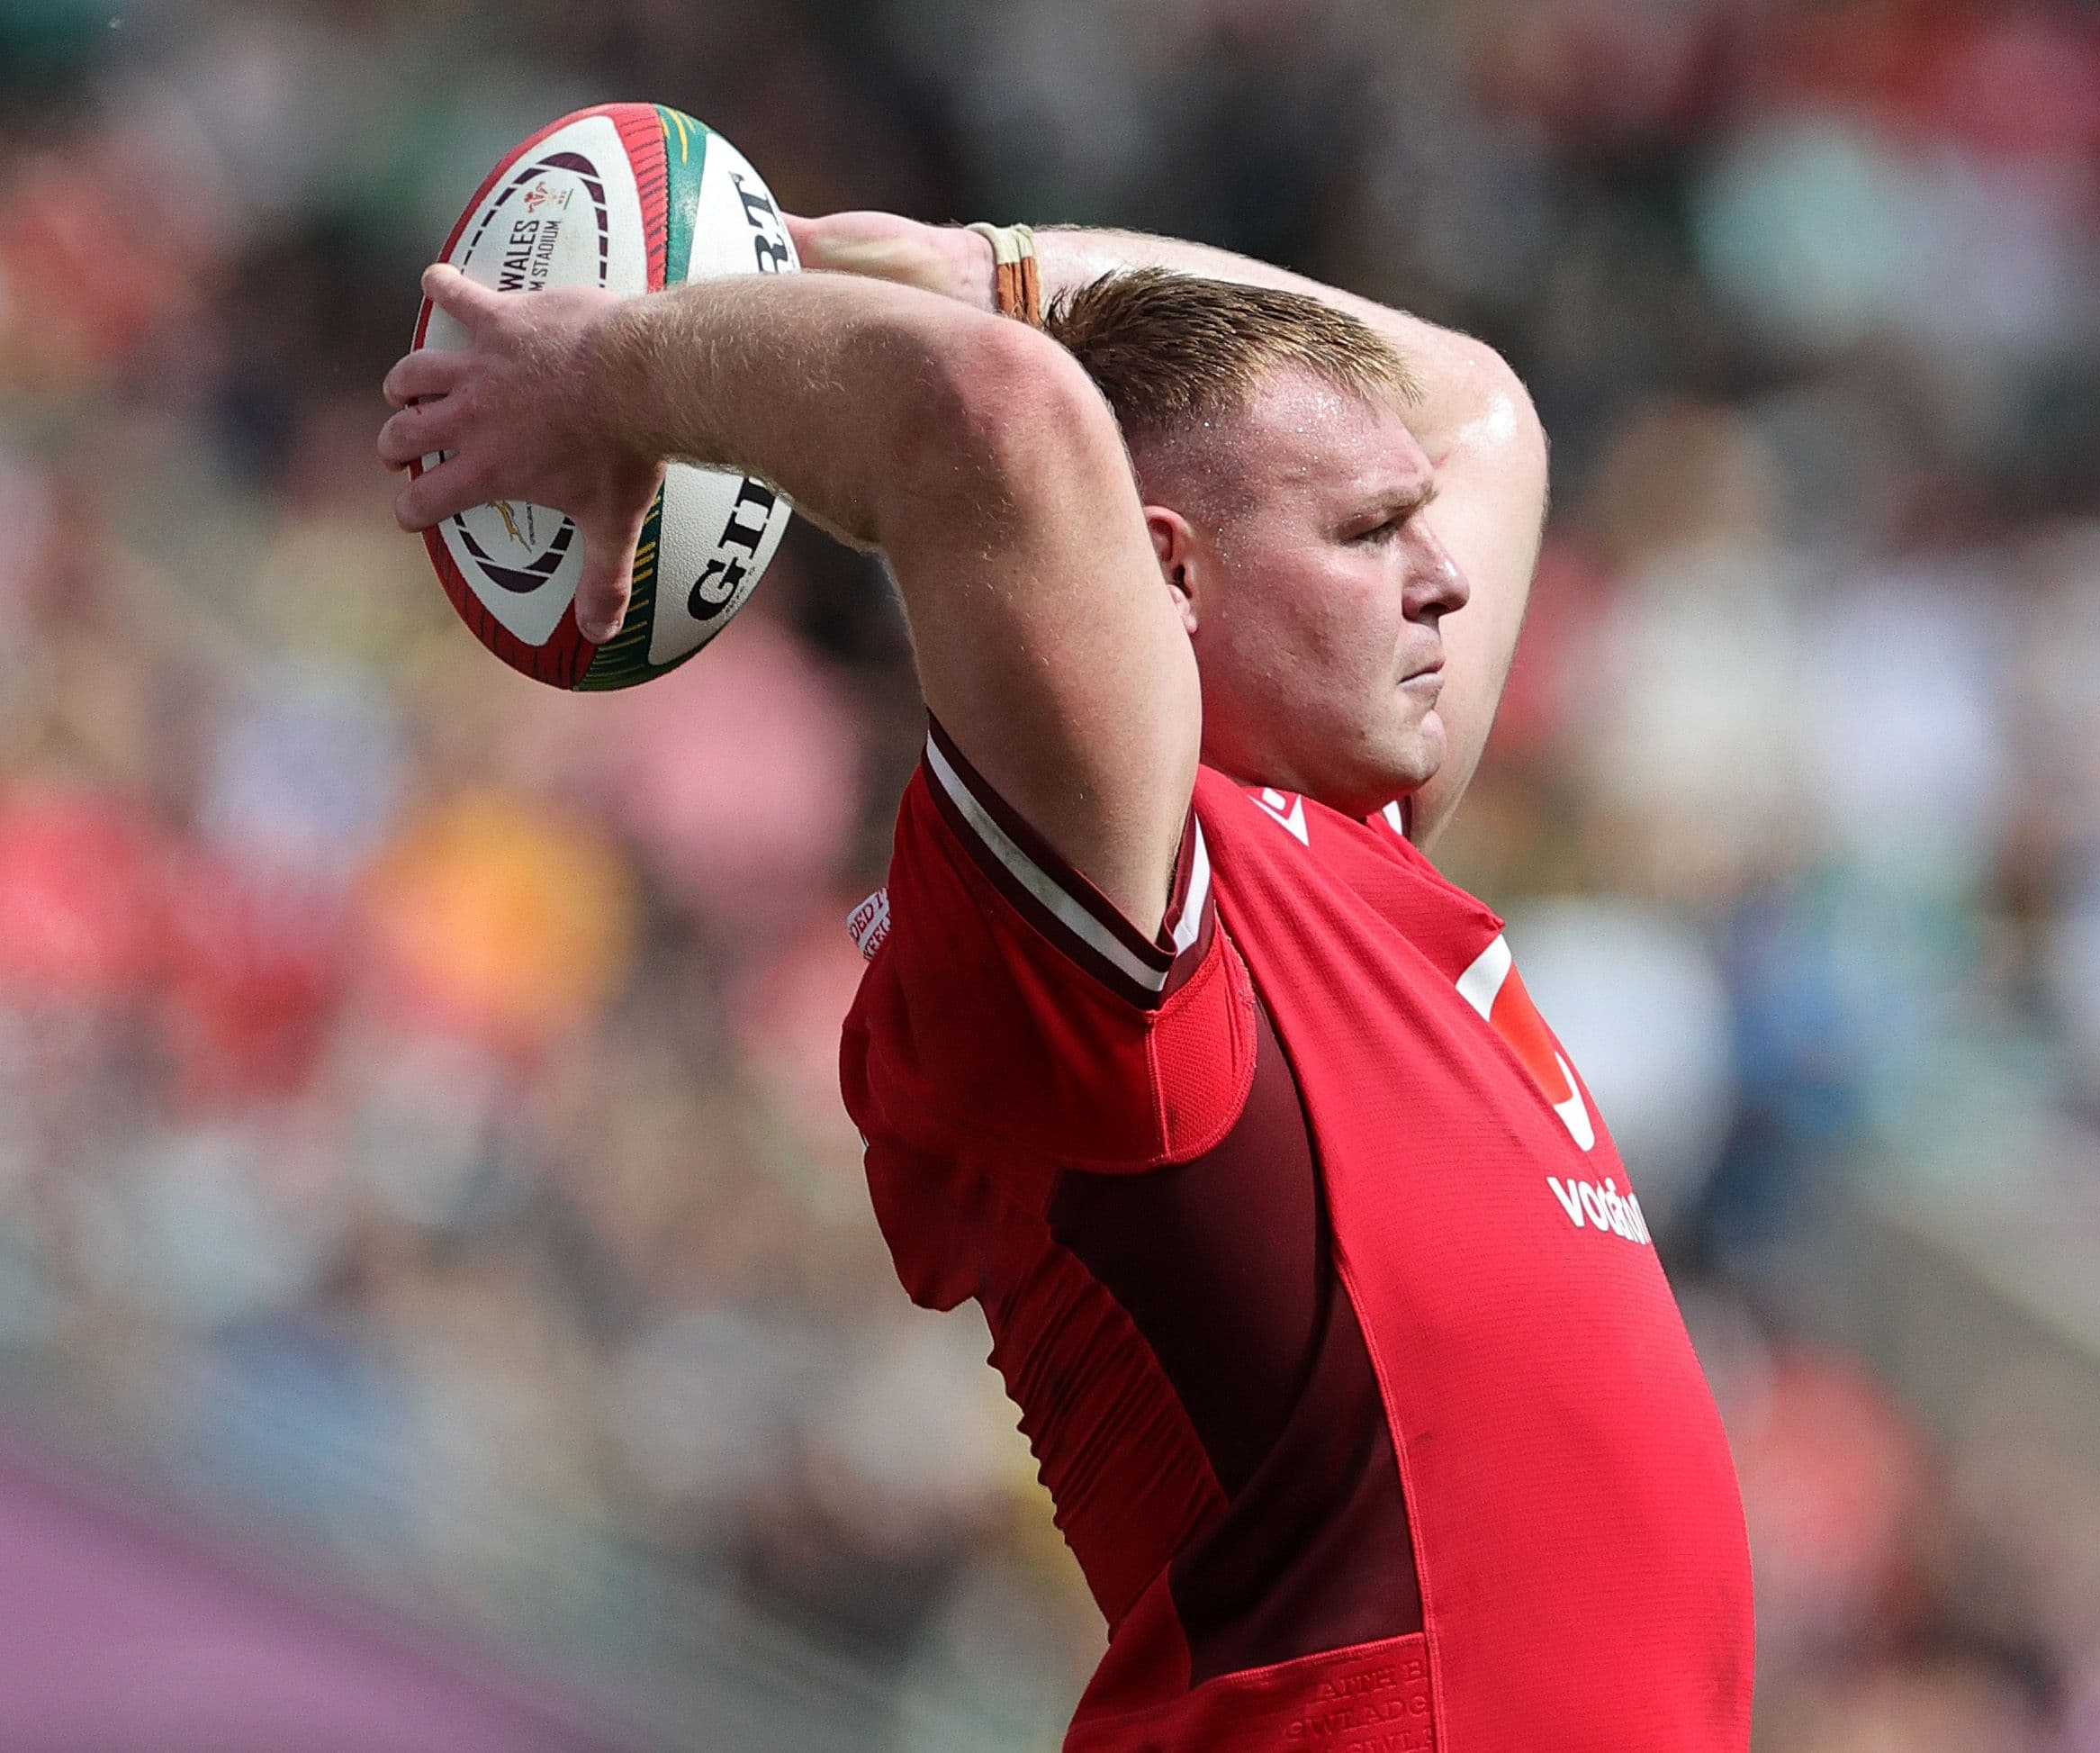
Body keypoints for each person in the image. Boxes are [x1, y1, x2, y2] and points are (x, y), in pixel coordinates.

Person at [376, 212, 1753, 1750]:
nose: (1444, 577)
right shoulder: (1125, 907)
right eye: (1370, 536)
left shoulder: (1351, 839)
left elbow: (1473, 400)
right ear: (1165, 572)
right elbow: (987, 416)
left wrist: (1011, 274)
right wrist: (608, 379)